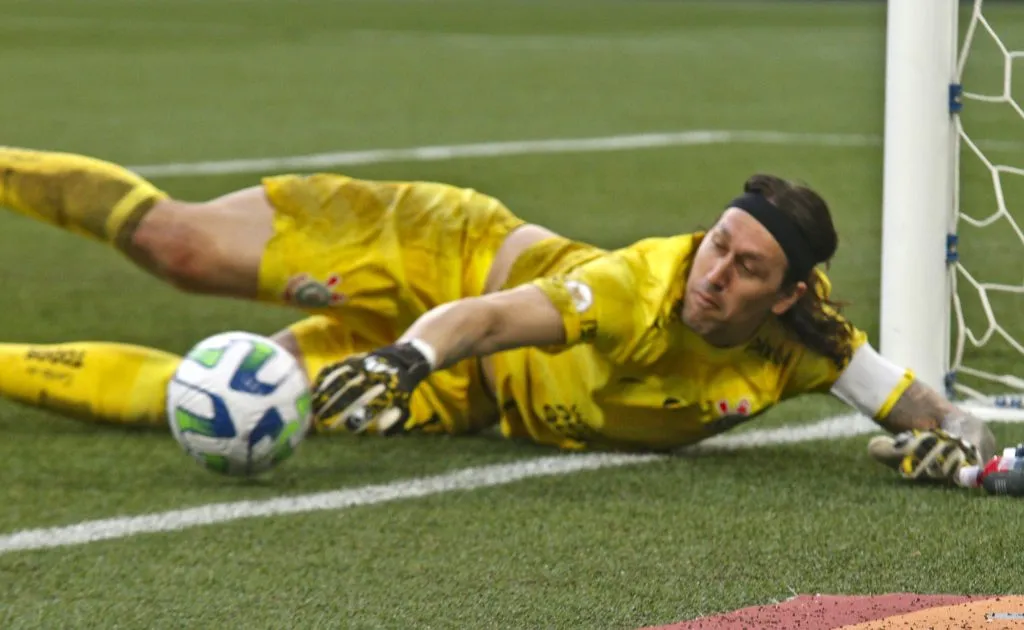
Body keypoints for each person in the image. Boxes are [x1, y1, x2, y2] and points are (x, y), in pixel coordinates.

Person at [0, 147, 996, 484]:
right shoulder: (637, 288)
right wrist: (404, 356)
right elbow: (484, 317)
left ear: (785, 296)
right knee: (178, 248)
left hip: (469, 396)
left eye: (744, 271)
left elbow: (924, 409)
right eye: (715, 245)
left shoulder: (804, 348)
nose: (713, 275)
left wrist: (958, 443)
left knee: (221, 402)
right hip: (441, 263)